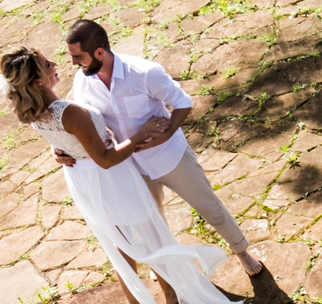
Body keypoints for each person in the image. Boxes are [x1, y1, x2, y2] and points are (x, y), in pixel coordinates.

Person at [0, 46, 243, 304]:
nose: (55, 63)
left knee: (119, 237)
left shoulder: (33, 111)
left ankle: (134, 302)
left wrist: (59, 149)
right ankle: (170, 293)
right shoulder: (71, 112)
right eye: (46, 64)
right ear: (39, 82)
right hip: (110, 176)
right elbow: (105, 158)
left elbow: (65, 135)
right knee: (148, 231)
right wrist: (141, 134)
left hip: (82, 177)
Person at [57, 19, 263, 277]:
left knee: (208, 206)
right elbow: (75, 117)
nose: (73, 63)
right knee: (152, 223)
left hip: (171, 157)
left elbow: (183, 102)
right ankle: (168, 267)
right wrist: (60, 148)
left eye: (78, 57)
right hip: (132, 166)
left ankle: (242, 252)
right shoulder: (83, 81)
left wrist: (167, 134)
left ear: (99, 52)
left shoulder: (143, 72)